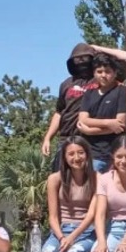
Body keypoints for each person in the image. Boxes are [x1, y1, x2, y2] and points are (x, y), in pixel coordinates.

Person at [41, 43, 97, 172]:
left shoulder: (100, 79)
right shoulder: (66, 84)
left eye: (85, 58)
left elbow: (123, 61)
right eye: (78, 59)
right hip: (66, 139)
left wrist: (97, 49)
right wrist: (48, 137)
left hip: (92, 140)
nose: (82, 62)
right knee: (60, 178)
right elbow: (59, 112)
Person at [77, 53, 126, 173]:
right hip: (89, 152)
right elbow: (83, 119)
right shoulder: (89, 94)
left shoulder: (121, 91)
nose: (103, 75)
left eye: (107, 71)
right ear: (94, 73)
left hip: (111, 152)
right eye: (99, 71)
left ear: (115, 73)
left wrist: (89, 130)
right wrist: (109, 123)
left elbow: (120, 125)